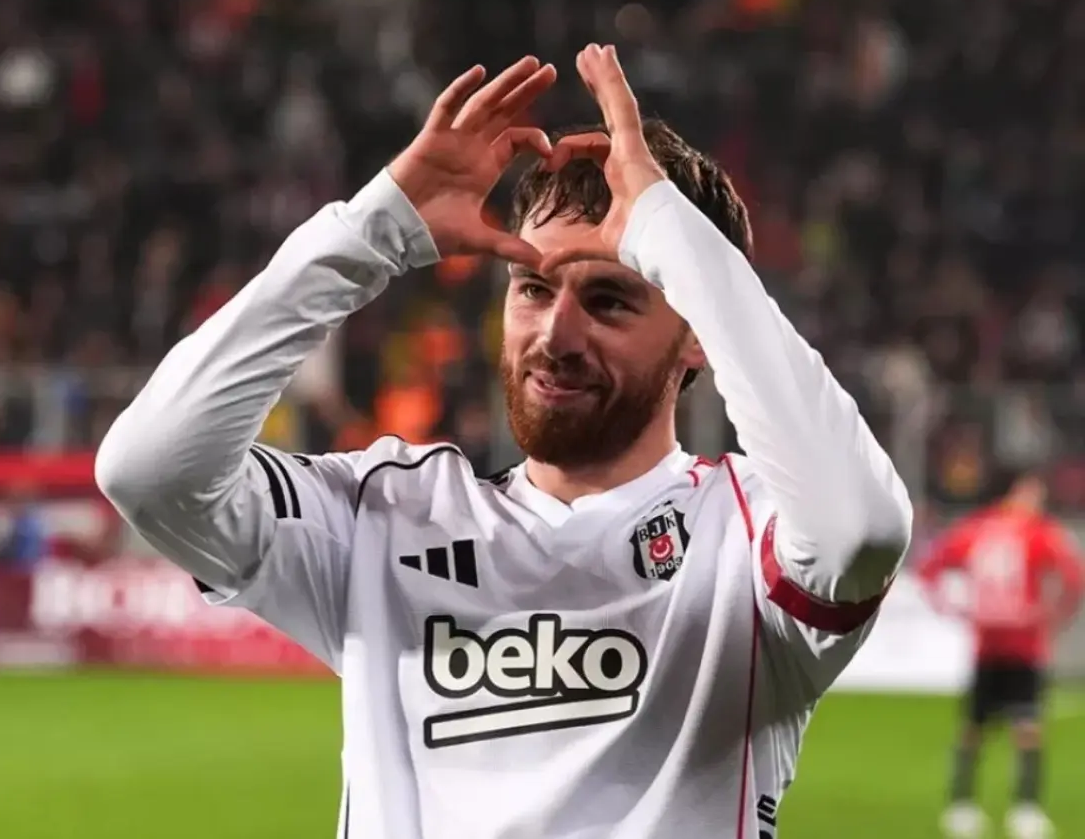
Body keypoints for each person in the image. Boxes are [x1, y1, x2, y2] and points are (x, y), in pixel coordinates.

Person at [96, 46, 912, 838]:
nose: (557, 335)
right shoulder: (383, 517)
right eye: (533, 288)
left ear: (697, 329)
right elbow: (150, 471)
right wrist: (372, 231)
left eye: (610, 300)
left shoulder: (745, 539)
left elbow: (861, 528)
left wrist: (677, 238)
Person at [920, 471, 1083, 839]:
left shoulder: (974, 528)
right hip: (1024, 643)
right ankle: (1026, 810)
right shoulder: (1039, 532)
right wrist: (1055, 616)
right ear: (1016, 491)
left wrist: (953, 608)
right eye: (1033, 491)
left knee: (973, 728)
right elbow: (1074, 577)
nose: (1038, 499)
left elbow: (930, 567)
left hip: (987, 642)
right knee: (1027, 729)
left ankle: (961, 807)